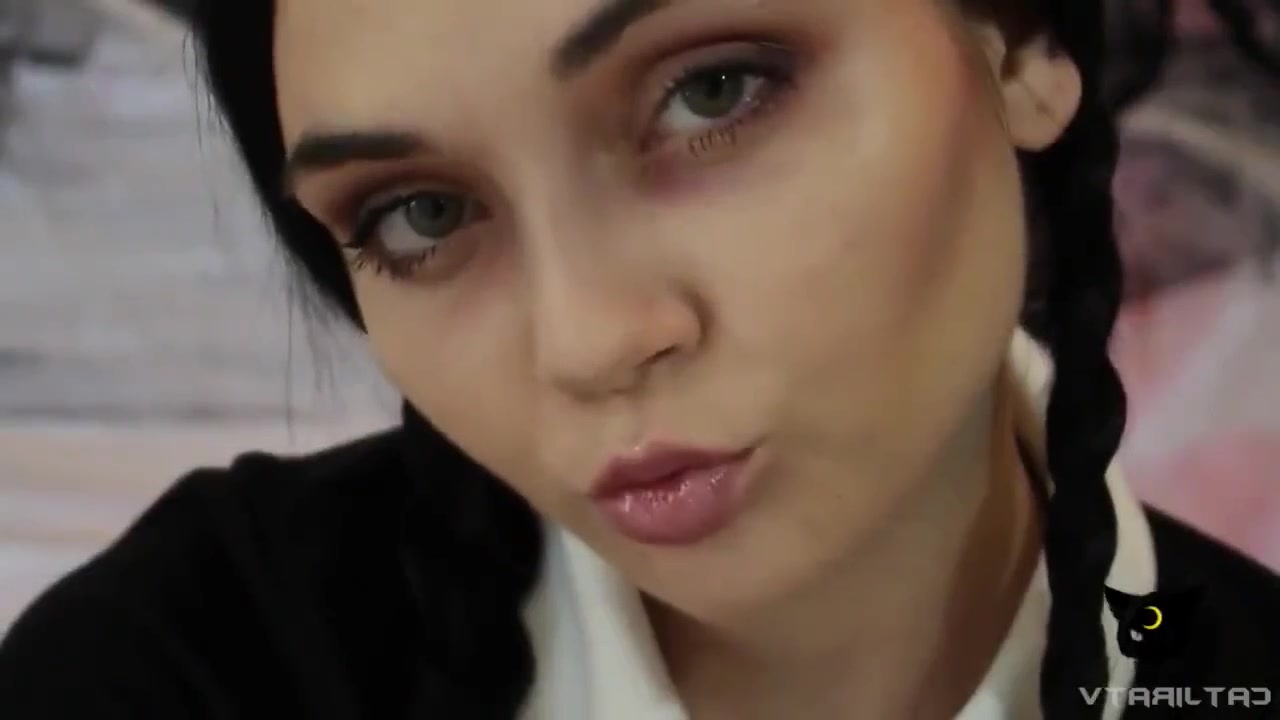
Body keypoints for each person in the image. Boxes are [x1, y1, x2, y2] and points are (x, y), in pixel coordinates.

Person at [1, 0, 1277, 718]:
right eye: (421, 215)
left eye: (712, 93)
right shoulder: (180, 666)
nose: (587, 341)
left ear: (1020, 45)